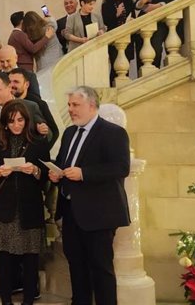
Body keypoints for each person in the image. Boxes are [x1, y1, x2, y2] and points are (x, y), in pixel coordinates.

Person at [48, 86, 130, 305]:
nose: (71, 110)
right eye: (69, 105)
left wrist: (84, 174)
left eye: (76, 105)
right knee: (76, 265)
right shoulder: (69, 132)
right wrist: (55, 172)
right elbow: (64, 162)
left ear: (92, 105)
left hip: (99, 214)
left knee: (101, 269)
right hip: (71, 212)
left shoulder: (113, 132)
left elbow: (121, 167)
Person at [0, 101, 49, 305]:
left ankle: (28, 300)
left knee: (30, 259)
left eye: (20, 120)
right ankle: (6, 300)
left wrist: (36, 171)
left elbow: (47, 173)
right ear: (4, 123)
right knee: (3, 259)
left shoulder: (38, 142)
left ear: (26, 120)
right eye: (11, 121)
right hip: (4, 207)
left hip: (29, 206)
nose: (16, 125)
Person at [135, 0, 173, 69]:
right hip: (144, 22)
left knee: (156, 48)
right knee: (141, 49)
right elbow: (137, 6)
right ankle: (141, 73)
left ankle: (155, 69)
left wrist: (158, 5)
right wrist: (142, 1)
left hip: (160, 22)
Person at [102, 0, 136, 83]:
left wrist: (131, 20)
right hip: (114, 38)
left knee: (126, 66)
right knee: (115, 65)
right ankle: (113, 88)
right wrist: (116, 14)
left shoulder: (129, 2)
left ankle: (125, 87)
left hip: (127, 36)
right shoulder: (106, 5)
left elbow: (133, 17)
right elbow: (106, 22)